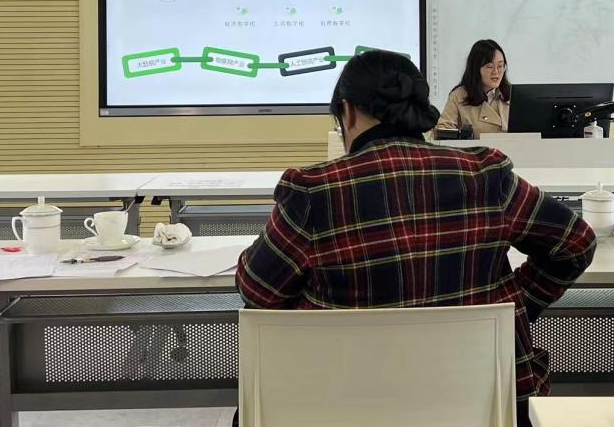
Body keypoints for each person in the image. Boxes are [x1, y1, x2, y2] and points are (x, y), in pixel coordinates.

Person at [237, 50, 595, 426]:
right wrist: (513, 306)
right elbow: (576, 244)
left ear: (348, 112)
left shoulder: (315, 191)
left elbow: (259, 292)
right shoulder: (486, 175)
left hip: (346, 406)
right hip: (488, 404)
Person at [437, 39, 511, 135]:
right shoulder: (459, 96)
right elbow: (443, 131)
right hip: (478, 145)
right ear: (476, 68)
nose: (496, 72)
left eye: (500, 66)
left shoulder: (512, 95)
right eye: (489, 66)